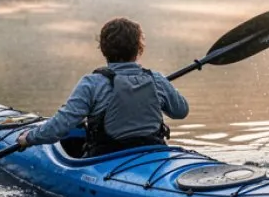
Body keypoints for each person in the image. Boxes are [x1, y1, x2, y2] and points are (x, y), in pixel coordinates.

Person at [16, 17, 189, 157]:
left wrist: (29, 138)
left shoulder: (92, 83)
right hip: (153, 153)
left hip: (105, 158)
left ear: (103, 50)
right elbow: (181, 111)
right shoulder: (156, 79)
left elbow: (61, 127)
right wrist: (163, 88)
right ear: (139, 49)